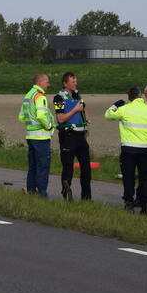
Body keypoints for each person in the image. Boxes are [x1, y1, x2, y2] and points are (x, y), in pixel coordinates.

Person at [105, 87, 147, 214]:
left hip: (128, 150)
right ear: (141, 96)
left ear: (129, 97)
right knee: (145, 178)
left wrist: (115, 105)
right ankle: (146, 206)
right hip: (145, 150)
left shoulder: (124, 109)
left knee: (128, 178)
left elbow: (107, 115)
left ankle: (129, 203)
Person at [53, 71, 90, 200]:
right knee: (68, 168)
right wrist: (75, 110)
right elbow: (60, 119)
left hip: (81, 137)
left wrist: (86, 125)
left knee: (86, 168)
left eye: (76, 81)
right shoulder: (58, 98)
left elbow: (84, 111)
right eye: (73, 81)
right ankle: (66, 195)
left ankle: (86, 198)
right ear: (65, 83)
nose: (76, 83)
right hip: (68, 136)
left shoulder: (78, 96)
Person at [18, 73, 54, 197]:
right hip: (41, 137)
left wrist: (31, 124)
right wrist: (49, 126)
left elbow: (21, 117)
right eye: (47, 82)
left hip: (30, 136)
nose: (48, 85)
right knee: (43, 167)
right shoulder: (40, 96)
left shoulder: (28, 96)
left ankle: (31, 192)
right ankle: (42, 194)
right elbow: (42, 115)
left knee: (32, 167)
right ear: (40, 82)